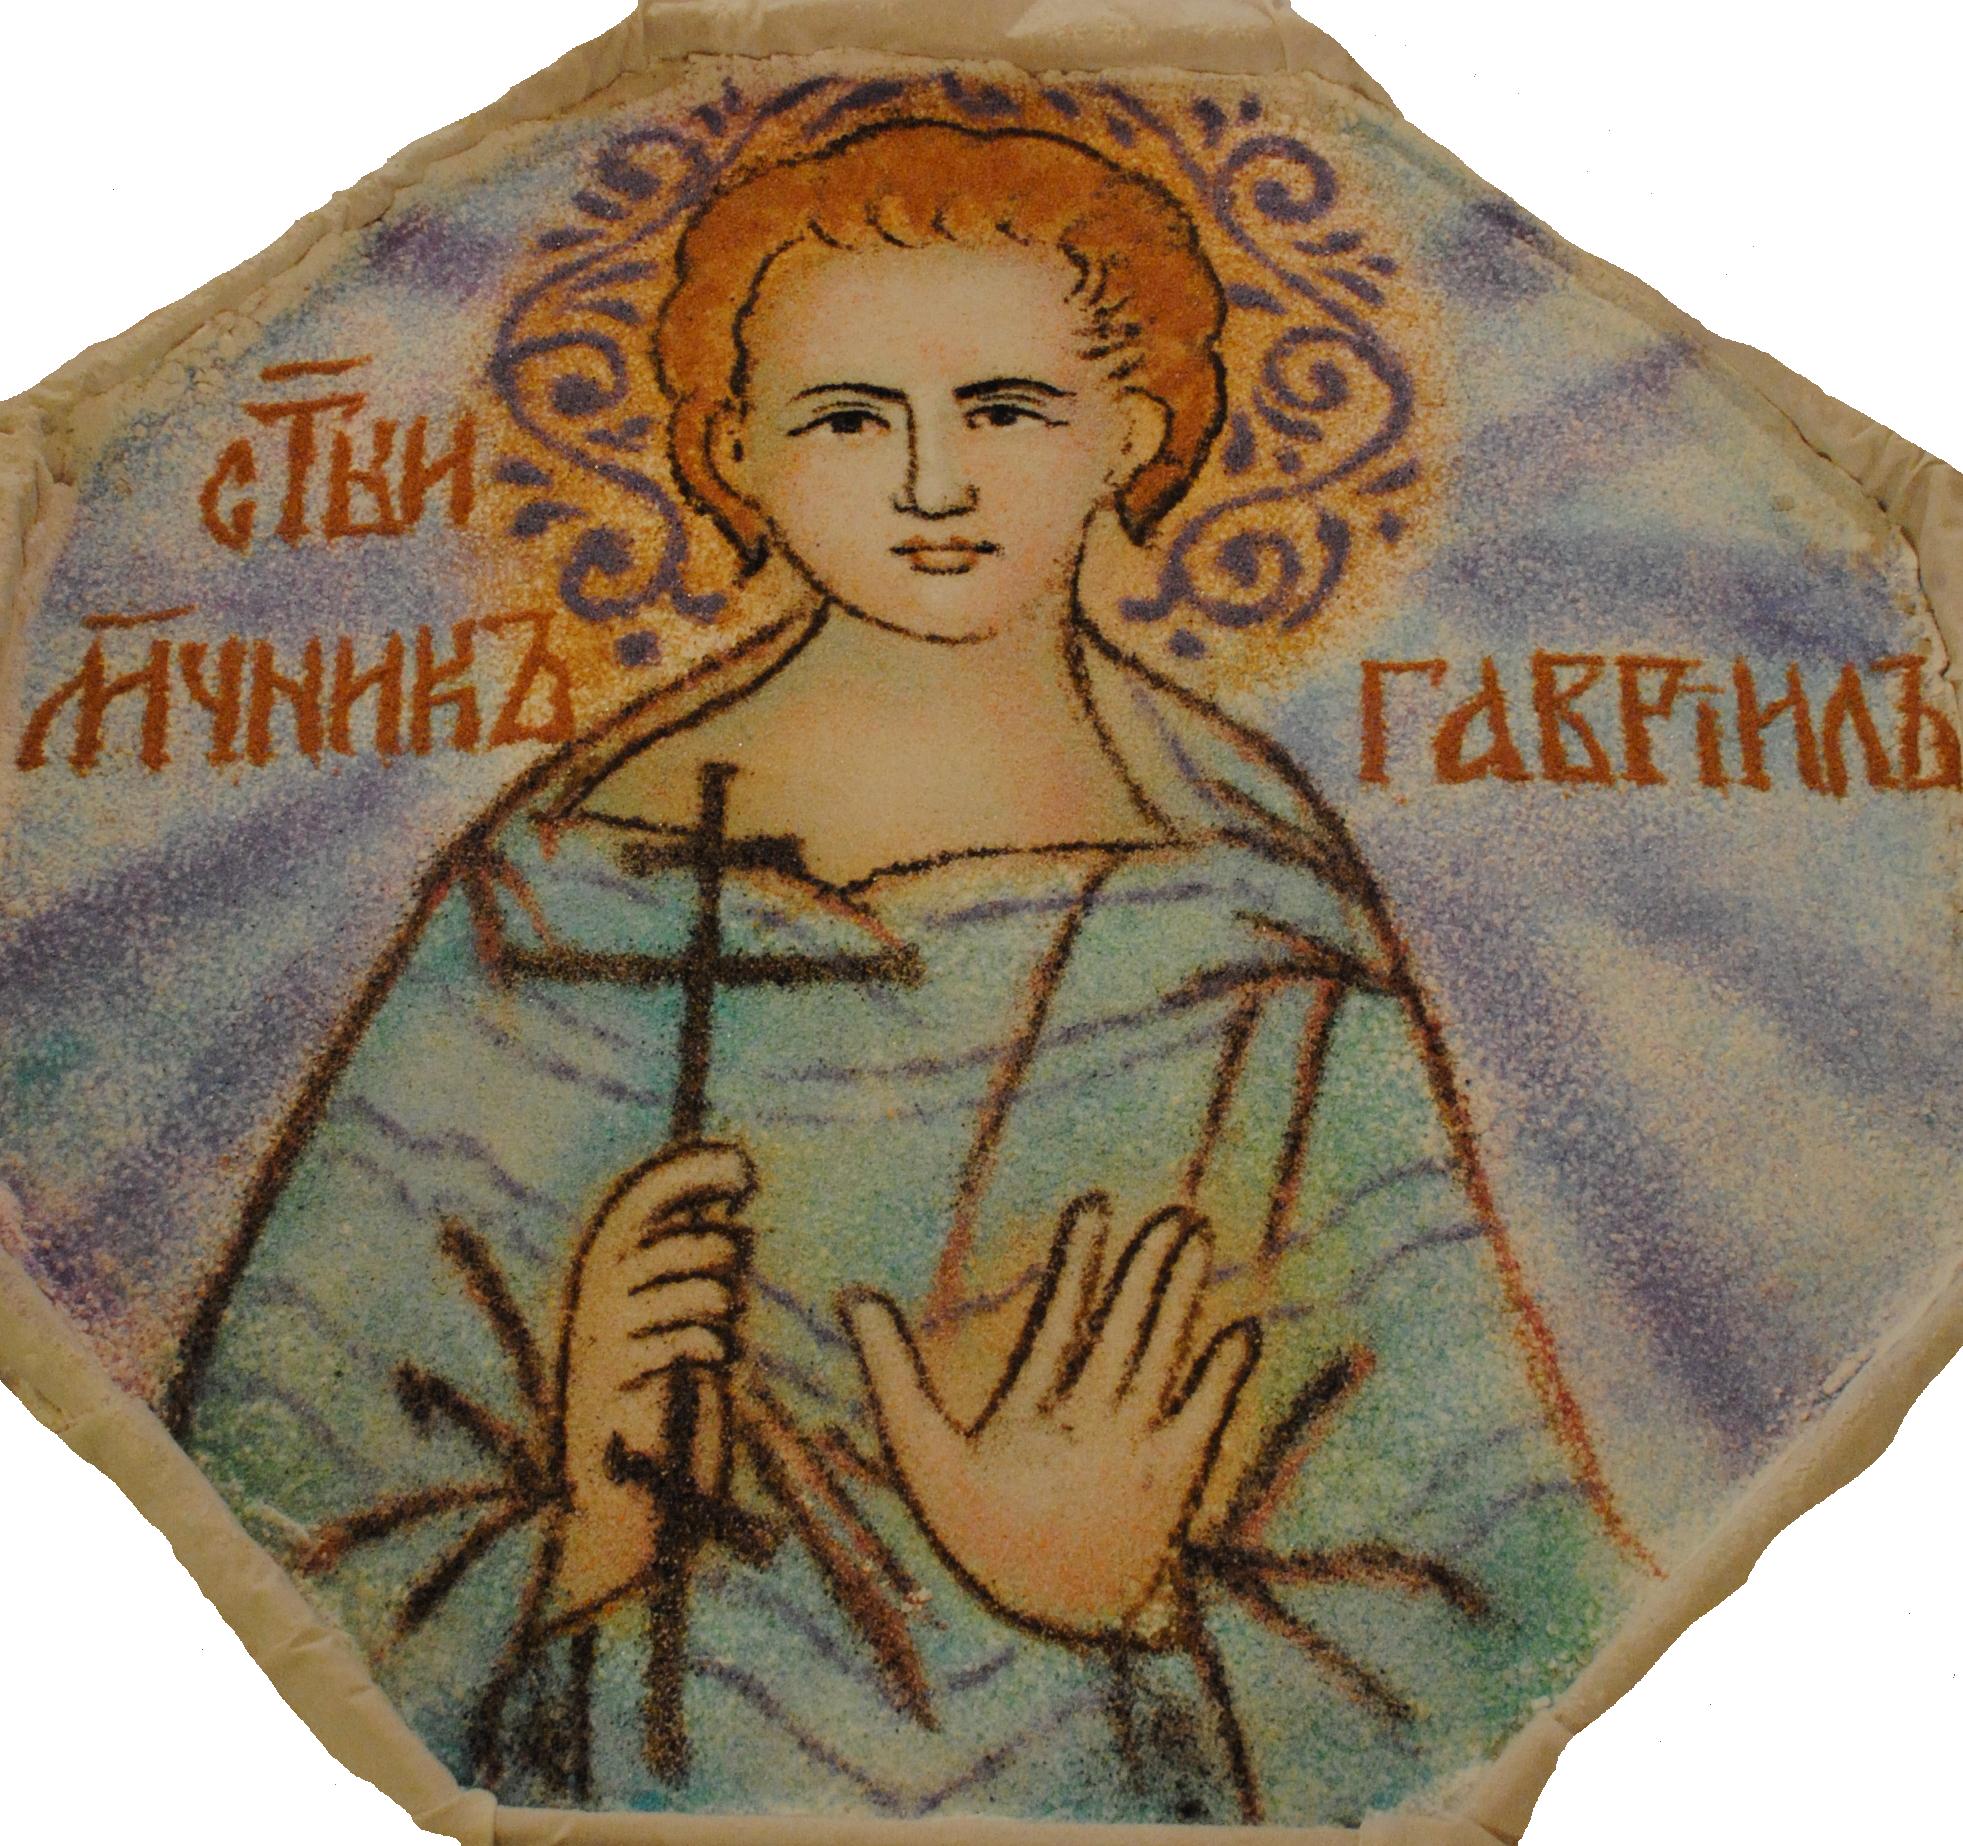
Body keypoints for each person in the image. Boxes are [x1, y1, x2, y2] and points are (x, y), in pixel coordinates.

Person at [169, 119, 1652, 1827]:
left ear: (1137, 430)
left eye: (1005, 410)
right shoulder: (559, 894)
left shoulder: (1256, 926)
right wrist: (585, 1523)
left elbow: (1488, 1591)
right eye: (850, 418)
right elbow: (286, 1475)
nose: (934, 483)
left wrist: (1123, 1597)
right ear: (734, 449)